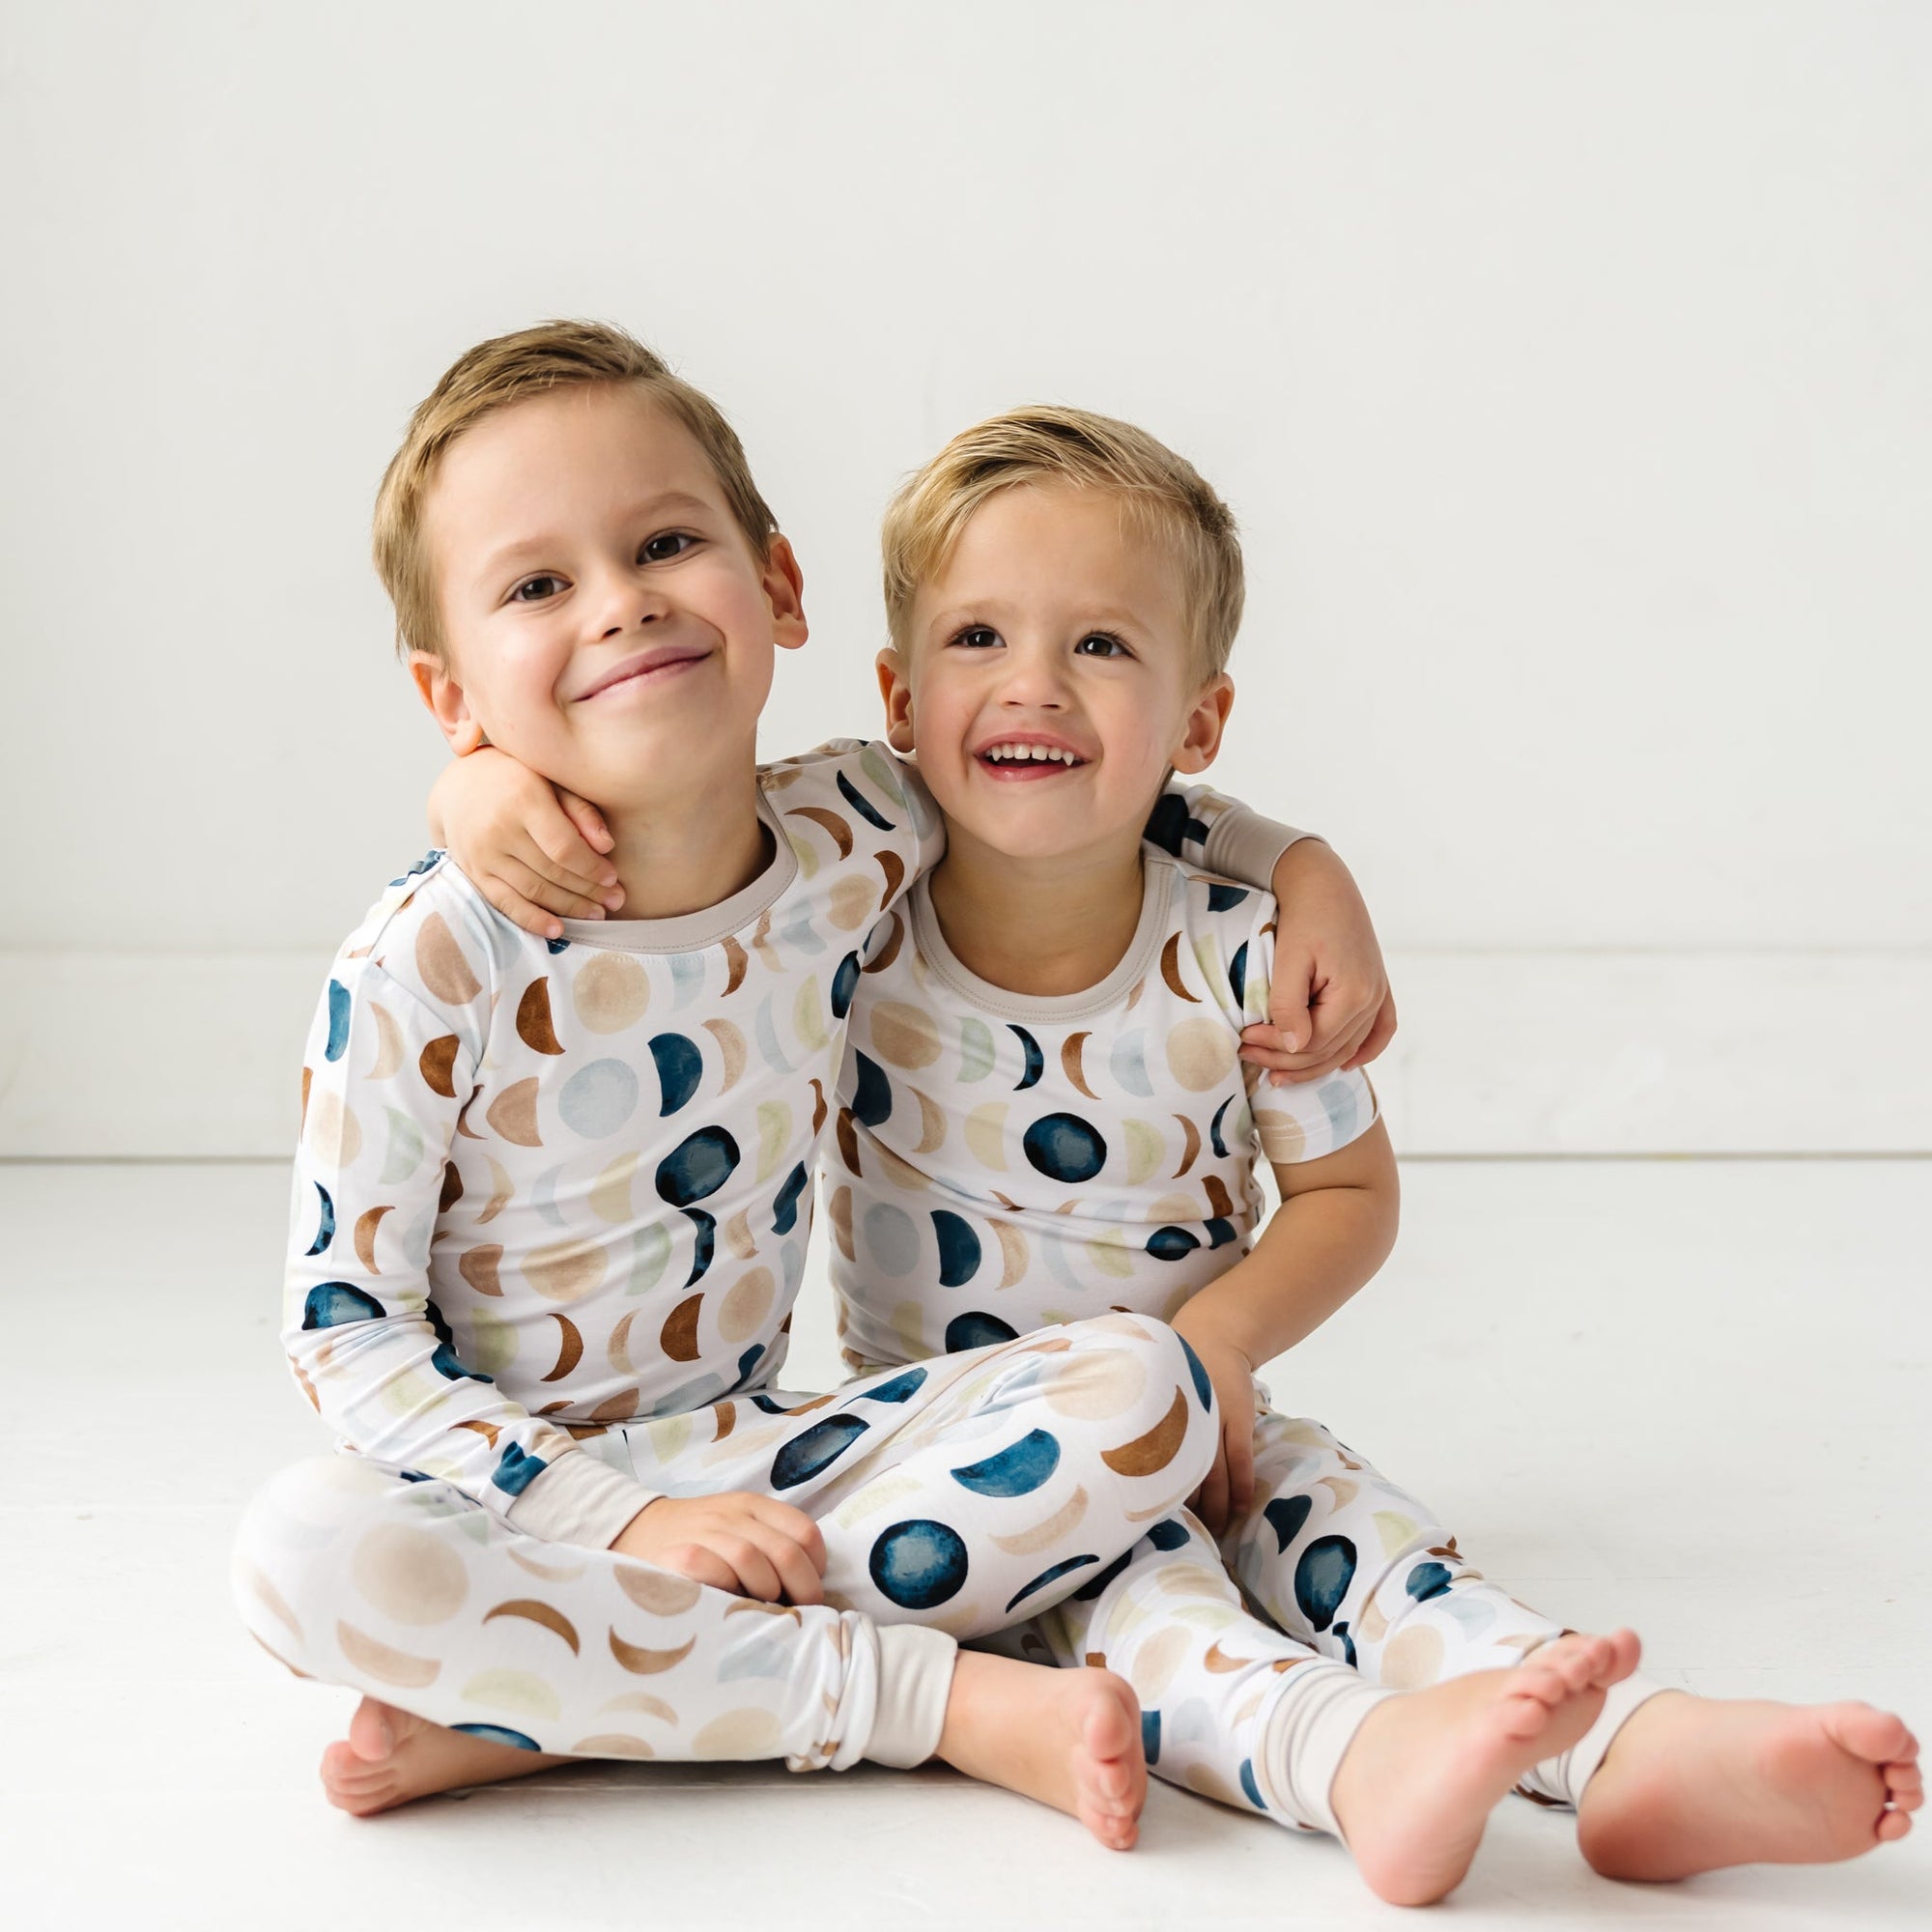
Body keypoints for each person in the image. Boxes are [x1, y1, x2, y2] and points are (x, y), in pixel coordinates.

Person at [233, 321, 1389, 1847]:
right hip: (504, 1504)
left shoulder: (858, 830)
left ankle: (568, 1703)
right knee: (301, 1550)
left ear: (778, 586)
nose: (622, 601)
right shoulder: (428, 963)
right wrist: (626, 1525)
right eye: (539, 586)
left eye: (662, 542)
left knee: (1140, 1389)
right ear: (454, 692)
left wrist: (1305, 869)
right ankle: (943, 1704)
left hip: (779, 1459)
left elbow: (1081, 779)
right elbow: (348, 1343)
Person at [808, 403, 1918, 1902]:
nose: (1035, 686)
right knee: (1145, 1618)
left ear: (1200, 724)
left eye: (1103, 647)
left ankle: (1634, 1744)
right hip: (975, 1472)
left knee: (1361, 1538)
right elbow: (673, 837)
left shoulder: (1241, 950)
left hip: (1214, 1416)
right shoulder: (840, 920)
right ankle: (1353, 1759)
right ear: (896, 691)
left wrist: (1214, 1360)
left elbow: (1346, 1194)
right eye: (979, 638)